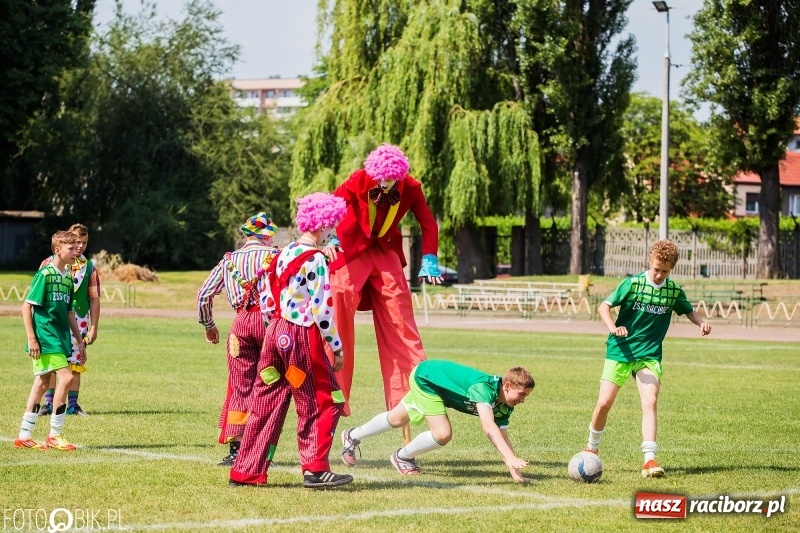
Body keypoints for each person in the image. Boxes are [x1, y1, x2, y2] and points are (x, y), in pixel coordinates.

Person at [230, 192, 353, 489]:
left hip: (275, 332)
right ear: (323, 224)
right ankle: (315, 469)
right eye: (332, 226)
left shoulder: (283, 253)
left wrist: (273, 329)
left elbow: (268, 297)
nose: (332, 232)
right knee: (324, 401)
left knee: (266, 401)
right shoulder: (316, 260)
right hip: (301, 335)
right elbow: (322, 310)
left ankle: (245, 470)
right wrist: (336, 347)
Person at [326, 143, 442, 417]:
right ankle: (333, 397)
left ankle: (409, 399)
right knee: (338, 307)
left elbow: (428, 223)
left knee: (400, 318)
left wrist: (430, 260)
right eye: (382, 180)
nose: (386, 184)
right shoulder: (359, 178)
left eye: (391, 180)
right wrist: (329, 236)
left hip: (385, 249)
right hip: (352, 248)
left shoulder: (411, 187)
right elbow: (333, 202)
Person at [583, 239, 712, 478]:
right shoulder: (632, 284)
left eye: (665, 271)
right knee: (604, 403)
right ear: (649, 263)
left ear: (671, 268)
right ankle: (591, 447)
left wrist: (701, 322)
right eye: (656, 269)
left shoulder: (673, 290)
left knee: (650, 401)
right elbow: (604, 306)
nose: (660, 274)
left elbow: (689, 310)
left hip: (649, 355)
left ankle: (649, 460)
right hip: (621, 351)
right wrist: (613, 327)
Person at [340, 360, 535, 483]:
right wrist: (509, 457)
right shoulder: (485, 389)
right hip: (428, 379)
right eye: (521, 394)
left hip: (437, 385)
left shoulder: (505, 406)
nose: (523, 400)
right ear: (507, 386)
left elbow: (502, 438)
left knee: (396, 418)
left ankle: (351, 436)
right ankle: (402, 457)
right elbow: (488, 426)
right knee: (442, 433)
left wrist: (516, 474)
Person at [197, 213, 280, 466]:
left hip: (240, 325)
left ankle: (236, 450)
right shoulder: (275, 256)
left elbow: (203, 296)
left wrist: (209, 325)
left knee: (241, 386)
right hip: (269, 325)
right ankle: (262, 451)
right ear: (266, 235)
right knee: (269, 386)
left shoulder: (229, 260)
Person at [16, 230, 87, 451]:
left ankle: (24, 435)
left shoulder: (67, 277)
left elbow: (68, 313)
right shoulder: (44, 275)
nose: (76, 251)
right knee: (65, 379)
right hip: (46, 336)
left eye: (77, 247)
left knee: (42, 382)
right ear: (57, 250)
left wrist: (80, 340)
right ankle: (55, 434)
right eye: (71, 247)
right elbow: (26, 307)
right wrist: (32, 338)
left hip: (60, 336)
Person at [38, 223, 100, 417]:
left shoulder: (90, 268)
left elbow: (94, 299)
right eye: (76, 242)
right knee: (54, 361)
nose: (80, 246)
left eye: (84, 243)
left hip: (79, 320)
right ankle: (49, 403)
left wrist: (94, 327)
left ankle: (72, 405)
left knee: (76, 362)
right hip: (54, 318)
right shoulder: (49, 263)